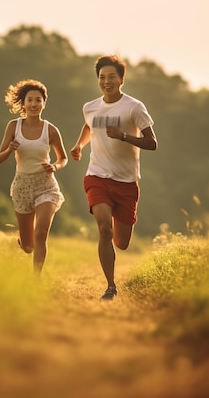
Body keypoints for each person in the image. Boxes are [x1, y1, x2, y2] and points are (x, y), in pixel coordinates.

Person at [70, 55, 158, 300]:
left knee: (122, 242)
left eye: (111, 77)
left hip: (126, 182)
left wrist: (124, 136)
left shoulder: (134, 107)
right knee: (104, 229)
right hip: (96, 176)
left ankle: (114, 269)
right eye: (101, 77)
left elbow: (152, 143)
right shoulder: (90, 107)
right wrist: (79, 146)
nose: (106, 81)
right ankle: (110, 286)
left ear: (121, 79)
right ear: (98, 80)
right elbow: (89, 125)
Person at [0, 79, 68, 274]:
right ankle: (24, 240)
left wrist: (54, 166)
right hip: (21, 187)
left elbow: (63, 158)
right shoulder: (13, 127)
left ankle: (35, 279)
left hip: (46, 186)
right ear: (23, 103)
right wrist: (9, 150)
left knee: (41, 233)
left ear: (44, 103)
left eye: (38, 100)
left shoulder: (51, 130)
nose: (34, 104)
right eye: (30, 100)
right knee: (28, 246)